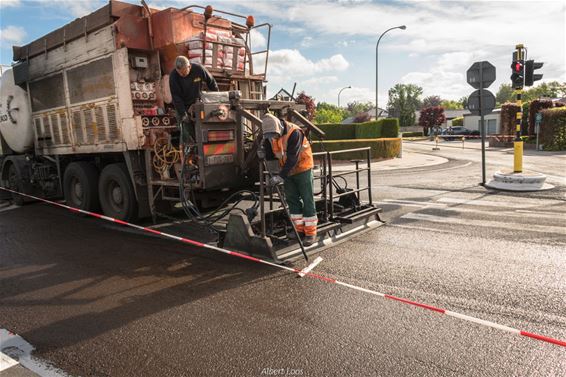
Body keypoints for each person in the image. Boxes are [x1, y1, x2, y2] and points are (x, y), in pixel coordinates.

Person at [261, 113, 318, 246]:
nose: (272, 138)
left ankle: (310, 233)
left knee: (307, 199)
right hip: (287, 171)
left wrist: (280, 176)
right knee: (292, 200)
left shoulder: (294, 132)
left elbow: (293, 158)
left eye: (274, 135)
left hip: (302, 169)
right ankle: (299, 231)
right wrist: (263, 154)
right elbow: (270, 156)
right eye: (270, 137)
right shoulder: (270, 135)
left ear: (279, 127)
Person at [169, 56, 219, 143]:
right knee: (187, 132)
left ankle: (204, 145)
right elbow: (176, 97)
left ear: (189, 66)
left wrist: (218, 99)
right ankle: (191, 150)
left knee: (203, 128)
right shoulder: (173, 76)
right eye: (180, 73)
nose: (182, 75)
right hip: (183, 106)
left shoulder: (198, 69)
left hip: (197, 104)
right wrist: (183, 114)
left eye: (184, 73)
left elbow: (211, 82)